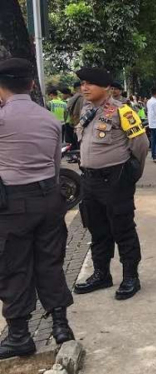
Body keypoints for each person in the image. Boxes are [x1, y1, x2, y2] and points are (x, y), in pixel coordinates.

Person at [0, 58, 75, 360]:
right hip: (49, 198)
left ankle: (19, 335)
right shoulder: (49, 119)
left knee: (13, 267)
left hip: (12, 204)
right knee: (50, 262)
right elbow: (56, 167)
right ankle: (60, 326)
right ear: (32, 85)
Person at [72, 67, 149, 301]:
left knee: (123, 229)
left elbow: (141, 144)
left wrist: (130, 174)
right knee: (98, 229)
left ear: (105, 87)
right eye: (83, 83)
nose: (84, 88)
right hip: (90, 179)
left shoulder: (122, 111)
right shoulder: (86, 110)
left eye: (90, 84)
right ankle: (101, 274)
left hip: (115, 179)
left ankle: (130, 277)